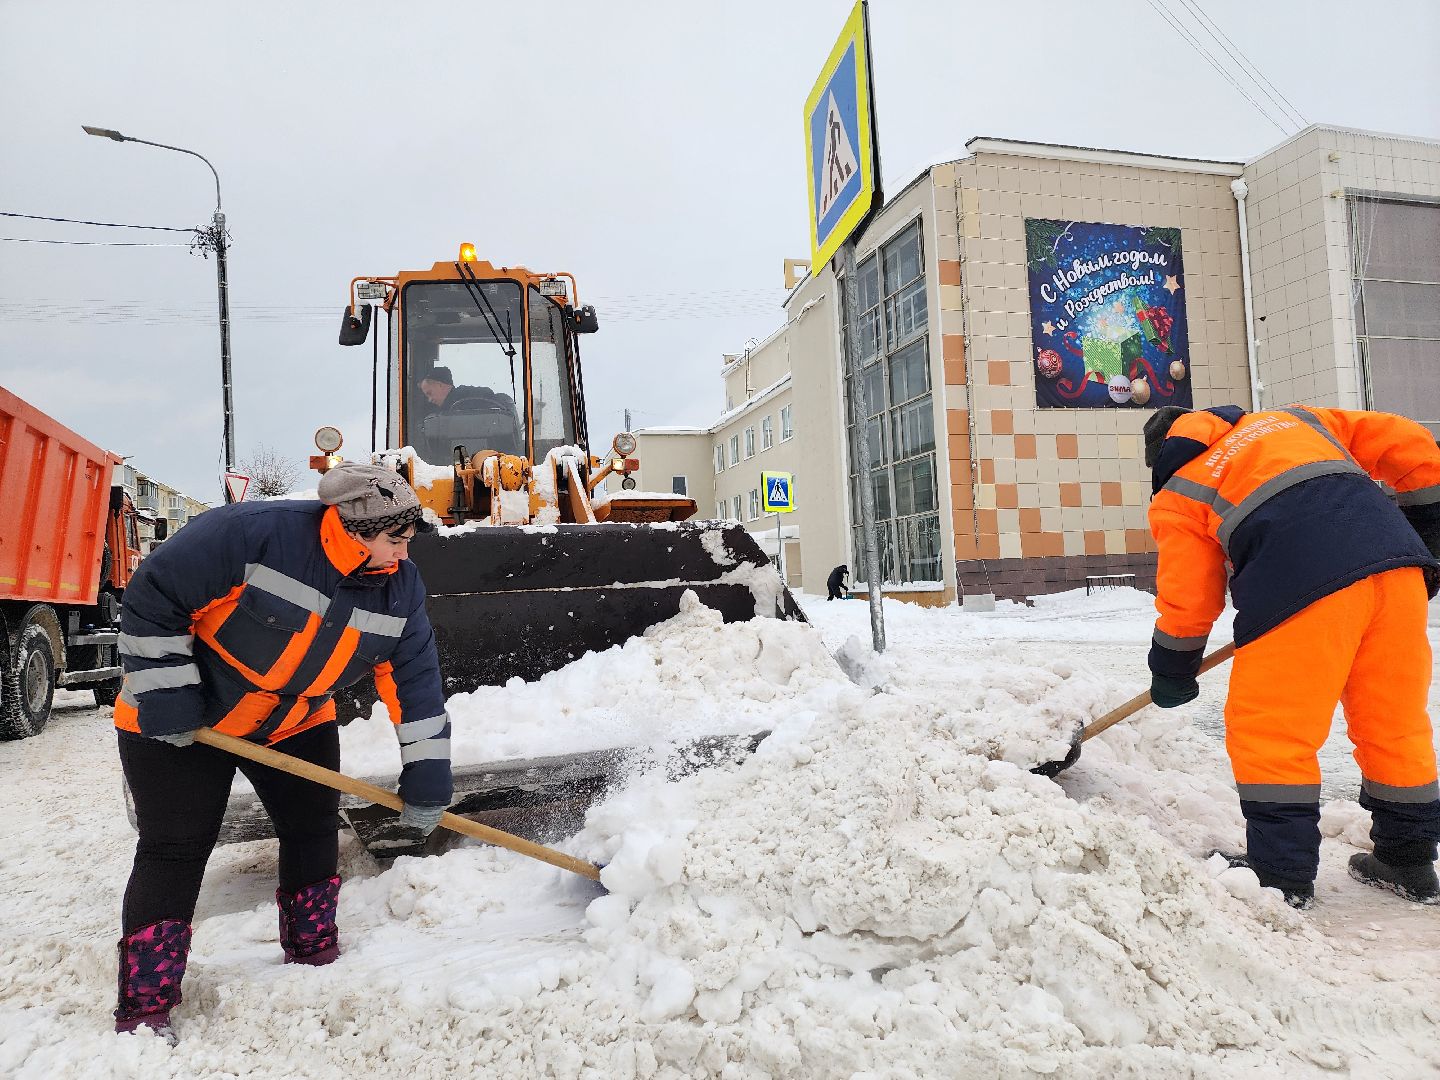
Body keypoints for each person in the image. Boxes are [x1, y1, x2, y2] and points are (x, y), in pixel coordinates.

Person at [111, 462, 453, 1037]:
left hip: (294, 717)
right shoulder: (254, 534)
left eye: (408, 538)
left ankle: (312, 953)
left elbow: (416, 681)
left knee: (314, 828)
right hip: (190, 718)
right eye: (395, 538)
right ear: (354, 526)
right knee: (175, 847)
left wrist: (427, 773)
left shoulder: (401, 587)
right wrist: (168, 697)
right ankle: (146, 1005)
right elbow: (153, 595)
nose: (403, 552)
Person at [1143, 404, 1440, 909]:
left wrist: (1171, 666)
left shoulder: (1182, 489)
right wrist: (1430, 527)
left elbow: (1189, 599)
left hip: (1299, 589)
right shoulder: (1296, 421)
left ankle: (1280, 875)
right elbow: (1410, 439)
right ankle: (1408, 861)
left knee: (1272, 729)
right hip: (1398, 569)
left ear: (1161, 456)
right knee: (1394, 723)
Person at [417, 365, 512, 413]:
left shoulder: (474, 397)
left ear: (440, 385)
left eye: (429, 393)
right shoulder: (437, 416)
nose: (430, 400)